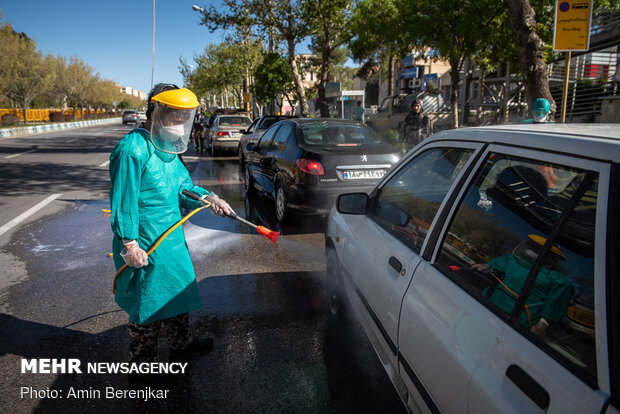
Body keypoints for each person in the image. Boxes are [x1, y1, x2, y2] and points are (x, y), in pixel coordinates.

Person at [108, 83, 234, 382]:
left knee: (177, 290)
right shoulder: (133, 148)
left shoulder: (167, 150)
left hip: (171, 236)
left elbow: (181, 186)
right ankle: (141, 365)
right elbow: (124, 200)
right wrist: (129, 242)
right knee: (148, 299)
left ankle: (181, 344)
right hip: (145, 239)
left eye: (184, 118)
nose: (179, 125)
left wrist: (209, 197)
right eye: (174, 117)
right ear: (155, 113)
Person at [472, 235, 573, 336]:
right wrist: (486, 266)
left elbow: (555, 306)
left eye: (540, 250)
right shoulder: (511, 258)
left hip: (515, 327)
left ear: (552, 256)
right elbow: (494, 266)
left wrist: (543, 324)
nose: (537, 251)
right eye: (535, 247)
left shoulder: (558, 280)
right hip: (484, 308)